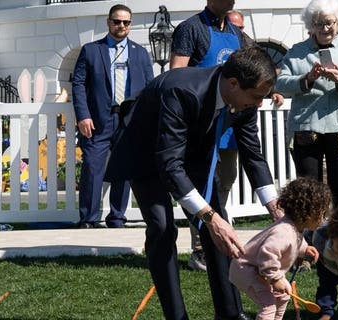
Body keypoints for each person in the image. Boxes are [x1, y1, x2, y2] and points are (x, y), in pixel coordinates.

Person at [106, 46, 282, 320]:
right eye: (257, 97)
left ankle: (230, 314)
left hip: (189, 156)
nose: (260, 104)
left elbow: (252, 152)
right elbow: (169, 164)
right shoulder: (182, 90)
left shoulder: (246, 99)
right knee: (163, 228)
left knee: (221, 233)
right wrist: (209, 217)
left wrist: (274, 205)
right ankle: (177, 317)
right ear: (233, 83)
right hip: (145, 155)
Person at [169, 0, 243, 271]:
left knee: (224, 183)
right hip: (200, 125)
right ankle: (200, 249)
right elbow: (176, 75)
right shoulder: (191, 28)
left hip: (229, 125)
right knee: (203, 185)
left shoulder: (235, 33)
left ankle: (217, 239)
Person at [275, 0, 338, 207]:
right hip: (306, 126)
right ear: (311, 25)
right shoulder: (297, 50)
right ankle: (308, 238)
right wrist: (307, 78)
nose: (325, 28)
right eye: (318, 23)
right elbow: (280, 82)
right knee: (308, 192)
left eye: (329, 23)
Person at [72, 4, 153, 228]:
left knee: (124, 169)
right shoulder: (91, 50)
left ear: (130, 24)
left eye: (126, 22)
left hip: (128, 120)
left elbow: (149, 88)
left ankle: (117, 217)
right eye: (117, 21)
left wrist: (145, 119)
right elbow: (78, 84)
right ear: (108, 22)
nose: (121, 26)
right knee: (92, 167)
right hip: (98, 119)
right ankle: (88, 219)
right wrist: (83, 115)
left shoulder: (140, 52)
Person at [229, 177, 330, 320]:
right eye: (322, 214)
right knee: (268, 305)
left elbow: (294, 242)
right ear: (308, 214)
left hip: (258, 269)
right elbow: (267, 254)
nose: (324, 219)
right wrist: (276, 279)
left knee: (282, 297)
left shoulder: (293, 227)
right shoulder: (284, 231)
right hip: (246, 270)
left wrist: (305, 249)